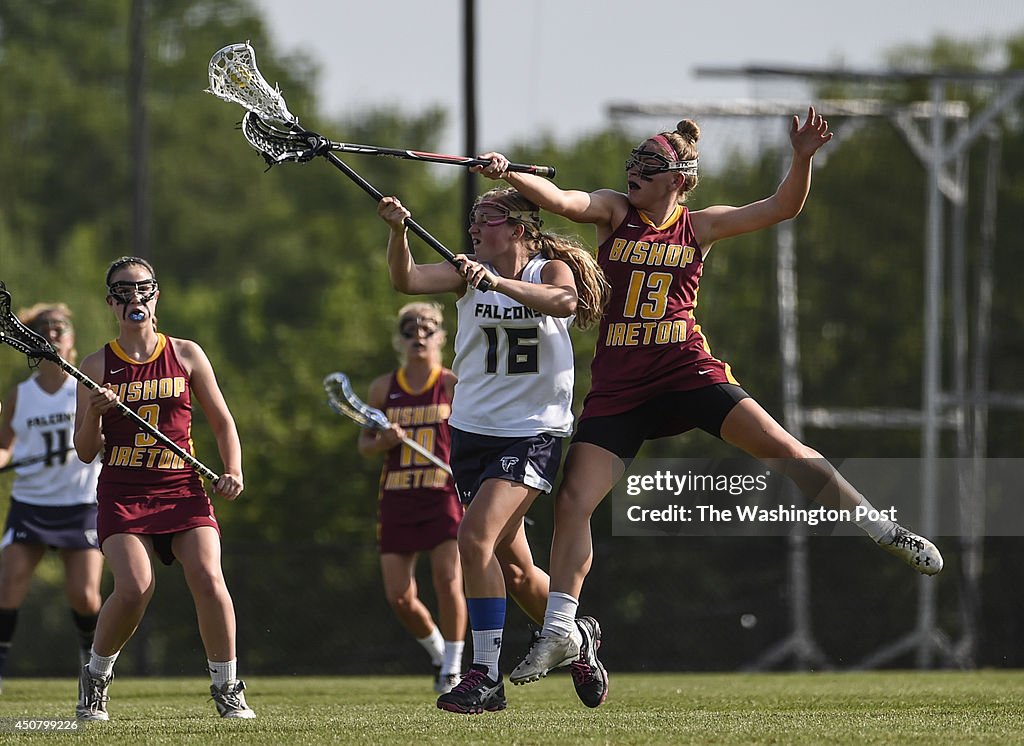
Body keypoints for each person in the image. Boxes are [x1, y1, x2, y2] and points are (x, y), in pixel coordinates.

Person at [473, 107, 945, 689]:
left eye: (648, 165)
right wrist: (512, 175)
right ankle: (562, 630)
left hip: (684, 368)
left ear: (679, 178)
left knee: (781, 447)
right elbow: (563, 201)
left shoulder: (699, 226)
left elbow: (781, 208)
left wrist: (801, 159)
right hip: (621, 385)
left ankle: (881, 528)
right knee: (572, 501)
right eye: (632, 163)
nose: (633, 173)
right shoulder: (615, 212)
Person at [377, 186, 611, 714]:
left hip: (532, 431)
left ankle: (484, 676)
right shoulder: (467, 273)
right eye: (474, 219)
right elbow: (406, 280)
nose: (475, 229)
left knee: (474, 537)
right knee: (519, 572)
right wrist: (397, 232)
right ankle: (578, 636)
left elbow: (565, 302)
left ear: (521, 228)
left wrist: (498, 281)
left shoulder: (546, 270)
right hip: (472, 433)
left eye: (488, 219)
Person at [72, 256, 254, 721]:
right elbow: (86, 451)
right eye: (123, 289)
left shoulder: (187, 353)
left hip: (182, 487)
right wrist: (96, 410)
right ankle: (95, 675)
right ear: (111, 300)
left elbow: (222, 422)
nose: (135, 296)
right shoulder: (96, 365)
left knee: (209, 577)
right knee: (134, 587)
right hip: (123, 492)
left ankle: (227, 687)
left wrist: (232, 469)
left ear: (157, 295)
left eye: (143, 287)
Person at [356, 301, 467, 695]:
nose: (418, 336)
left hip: (443, 495)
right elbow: (365, 444)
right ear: (398, 339)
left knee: (448, 580)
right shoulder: (384, 388)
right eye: (409, 330)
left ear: (441, 336)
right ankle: (439, 652)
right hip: (398, 497)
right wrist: (383, 439)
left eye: (427, 329)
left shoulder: (454, 384)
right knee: (399, 596)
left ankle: (453, 667)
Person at [0, 304, 103, 693]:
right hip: (31, 504)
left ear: (73, 338)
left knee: (84, 595)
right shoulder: (20, 395)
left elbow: (101, 438)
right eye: (46, 328)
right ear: (33, 340)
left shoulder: (87, 387)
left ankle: (91, 664)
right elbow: (5, 446)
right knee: (8, 585)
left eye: (61, 327)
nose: (54, 332)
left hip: (80, 504)